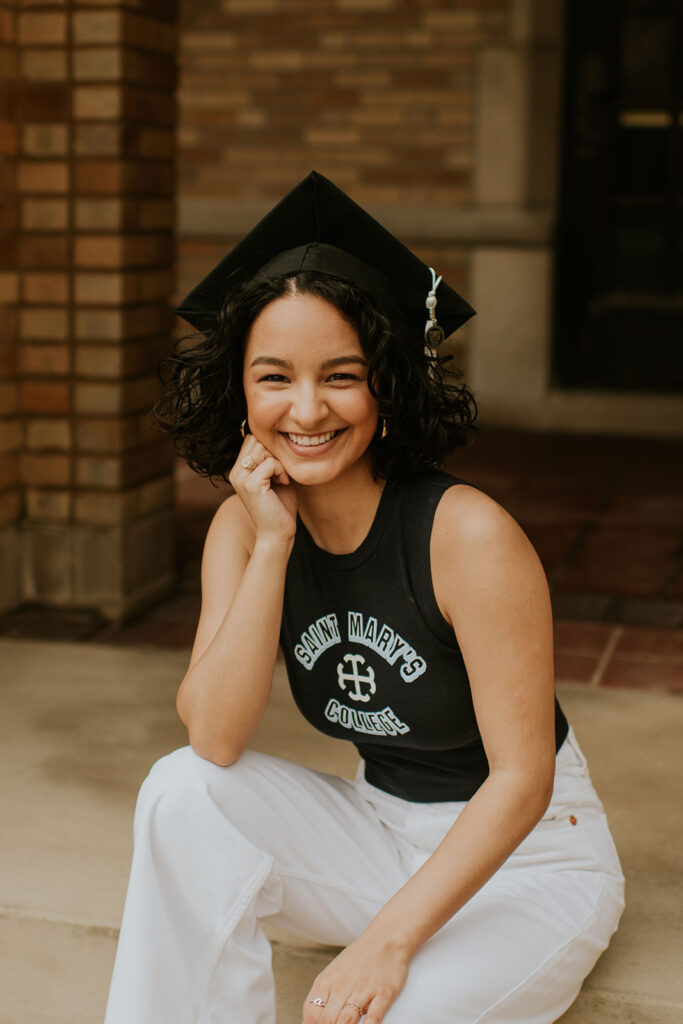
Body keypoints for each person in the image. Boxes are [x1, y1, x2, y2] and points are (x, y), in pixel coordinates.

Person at [104, 172, 624, 1024]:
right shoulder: (242, 530)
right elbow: (214, 735)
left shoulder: (466, 536)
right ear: (240, 389)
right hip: (378, 837)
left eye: (340, 375)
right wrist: (272, 543)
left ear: (384, 385)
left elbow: (523, 779)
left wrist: (385, 943)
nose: (306, 409)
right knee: (179, 790)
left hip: (528, 868)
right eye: (274, 376)